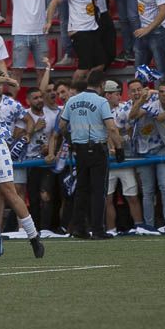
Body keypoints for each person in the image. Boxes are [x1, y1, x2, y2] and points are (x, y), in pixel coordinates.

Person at [54, 68, 123, 239]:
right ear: (101, 85)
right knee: (98, 191)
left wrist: (70, 139)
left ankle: (79, 228)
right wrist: (119, 148)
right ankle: (98, 229)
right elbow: (111, 128)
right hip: (97, 149)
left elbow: (61, 126)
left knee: (81, 191)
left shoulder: (72, 101)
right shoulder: (101, 102)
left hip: (80, 150)